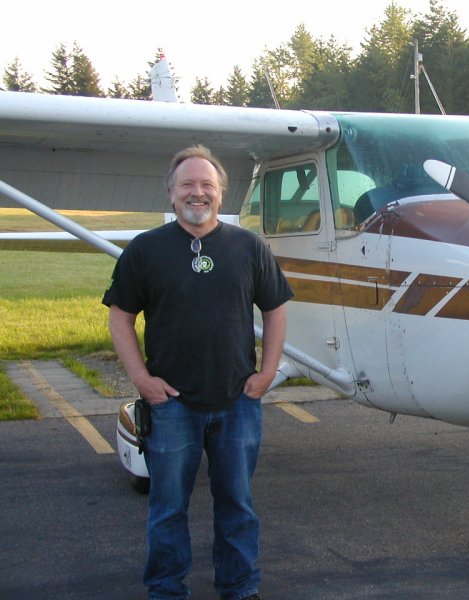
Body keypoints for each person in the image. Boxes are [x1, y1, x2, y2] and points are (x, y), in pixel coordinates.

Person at [103, 145, 293, 600]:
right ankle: (166, 590)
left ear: (221, 194)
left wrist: (268, 371)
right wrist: (141, 380)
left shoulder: (249, 247)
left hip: (237, 402)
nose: (198, 193)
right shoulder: (145, 250)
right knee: (168, 508)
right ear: (170, 193)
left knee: (237, 506)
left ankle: (240, 588)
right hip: (171, 405)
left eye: (207, 185)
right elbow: (120, 316)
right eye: (187, 184)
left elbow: (275, 309)